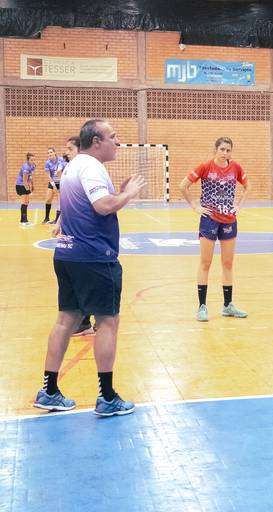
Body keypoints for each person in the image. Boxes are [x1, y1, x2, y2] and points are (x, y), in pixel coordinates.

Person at [33, 118, 146, 416]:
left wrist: (119, 194)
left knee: (65, 321)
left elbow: (90, 205)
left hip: (67, 255)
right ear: (96, 142)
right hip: (94, 258)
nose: (117, 142)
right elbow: (102, 206)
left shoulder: (73, 166)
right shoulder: (92, 167)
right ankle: (107, 397)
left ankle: (49, 390)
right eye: (112, 137)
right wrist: (128, 194)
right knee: (107, 322)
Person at [180, 137, 251, 322]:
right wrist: (195, 206)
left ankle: (228, 306)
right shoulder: (205, 167)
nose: (225, 153)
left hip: (229, 221)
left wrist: (238, 205)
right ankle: (202, 306)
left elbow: (247, 186)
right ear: (216, 150)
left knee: (228, 264)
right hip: (209, 220)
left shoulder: (236, 168)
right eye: (222, 149)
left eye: (228, 150)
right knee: (206, 263)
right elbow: (183, 186)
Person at [52, 136, 96, 337]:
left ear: (81, 149)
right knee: (77, 279)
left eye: (70, 149)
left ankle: (87, 321)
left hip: (85, 235)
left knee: (86, 279)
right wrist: (59, 222)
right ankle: (84, 320)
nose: (66, 152)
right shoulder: (69, 170)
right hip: (72, 235)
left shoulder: (87, 171)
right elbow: (67, 202)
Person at [43, 147, 65, 224]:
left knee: (60, 201)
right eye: (48, 153)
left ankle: (57, 220)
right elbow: (48, 175)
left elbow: (61, 170)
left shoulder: (61, 160)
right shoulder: (47, 163)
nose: (49, 154)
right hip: (52, 182)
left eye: (51, 152)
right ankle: (46, 218)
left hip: (61, 182)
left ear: (55, 152)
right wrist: (54, 186)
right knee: (48, 199)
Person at [15, 152, 35, 225]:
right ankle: (24, 221)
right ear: (28, 160)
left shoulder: (33, 166)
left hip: (25, 185)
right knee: (24, 202)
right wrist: (29, 191)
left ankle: (22, 220)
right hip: (21, 185)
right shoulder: (26, 167)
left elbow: (30, 176)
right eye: (31, 160)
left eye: (34, 160)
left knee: (26, 202)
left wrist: (32, 184)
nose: (33, 161)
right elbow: (24, 180)